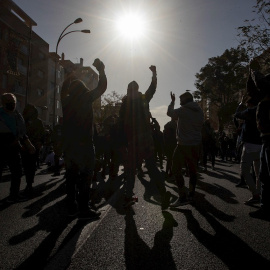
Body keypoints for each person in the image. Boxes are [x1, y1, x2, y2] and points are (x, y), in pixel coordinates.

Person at [61, 58, 107, 220]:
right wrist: (101, 70)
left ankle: (71, 206)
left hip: (70, 145)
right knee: (86, 175)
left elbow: (63, 89)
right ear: (83, 89)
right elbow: (102, 87)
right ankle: (83, 208)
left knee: (71, 176)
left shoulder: (65, 101)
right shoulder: (85, 97)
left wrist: (68, 75)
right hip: (85, 144)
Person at [119, 65, 167, 207]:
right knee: (151, 166)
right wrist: (154, 74)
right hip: (145, 139)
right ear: (138, 89)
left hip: (132, 141)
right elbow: (153, 88)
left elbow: (121, 124)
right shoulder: (143, 99)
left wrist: (123, 143)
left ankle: (128, 196)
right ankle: (163, 194)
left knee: (131, 169)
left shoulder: (125, 104)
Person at [167, 91, 204, 206]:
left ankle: (182, 196)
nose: (179, 102)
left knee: (175, 169)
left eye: (180, 100)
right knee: (193, 170)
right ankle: (191, 194)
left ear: (185, 100)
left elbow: (169, 113)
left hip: (183, 145)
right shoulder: (200, 111)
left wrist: (172, 102)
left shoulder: (183, 110)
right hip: (196, 144)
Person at [0, 93, 35, 202]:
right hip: (2, 147)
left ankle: (14, 195)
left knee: (17, 172)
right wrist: (14, 141)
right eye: (9, 102)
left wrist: (29, 145)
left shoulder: (17, 116)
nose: (12, 104)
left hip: (13, 149)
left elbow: (22, 133)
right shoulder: (0, 115)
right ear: (3, 103)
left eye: (13, 102)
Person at [249, 70, 270, 219]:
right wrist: (250, 74)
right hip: (265, 140)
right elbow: (252, 90)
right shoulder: (262, 99)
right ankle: (265, 208)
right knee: (264, 176)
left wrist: (255, 71)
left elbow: (262, 84)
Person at [234, 95, 262, 205]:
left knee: (245, 170)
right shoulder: (262, 109)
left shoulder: (250, 111)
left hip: (250, 146)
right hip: (260, 145)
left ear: (250, 104)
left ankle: (255, 194)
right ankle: (259, 194)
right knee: (258, 172)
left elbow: (237, 115)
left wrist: (240, 104)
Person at [22, 104, 45, 197]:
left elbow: (42, 134)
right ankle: (28, 182)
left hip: (35, 147)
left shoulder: (38, 122)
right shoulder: (23, 121)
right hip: (25, 147)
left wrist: (40, 143)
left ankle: (29, 184)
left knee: (32, 166)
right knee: (26, 166)